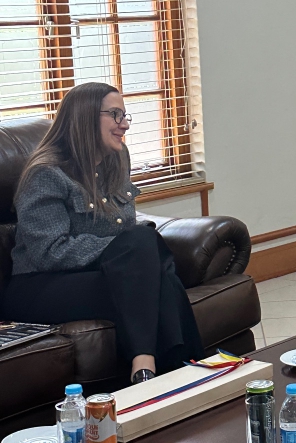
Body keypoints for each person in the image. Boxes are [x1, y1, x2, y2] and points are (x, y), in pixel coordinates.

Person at [2, 82, 204, 383]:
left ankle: (157, 375)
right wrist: (117, 252)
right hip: (39, 285)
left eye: (125, 115)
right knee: (145, 253)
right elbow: (49, 253)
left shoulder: (116, 161)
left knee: (154, 270)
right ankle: (187, 371)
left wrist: (124, 255)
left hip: (97, 275)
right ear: (85, 117)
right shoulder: (45, 173)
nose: (125, 124)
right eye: (115, 115)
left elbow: (126, 232)